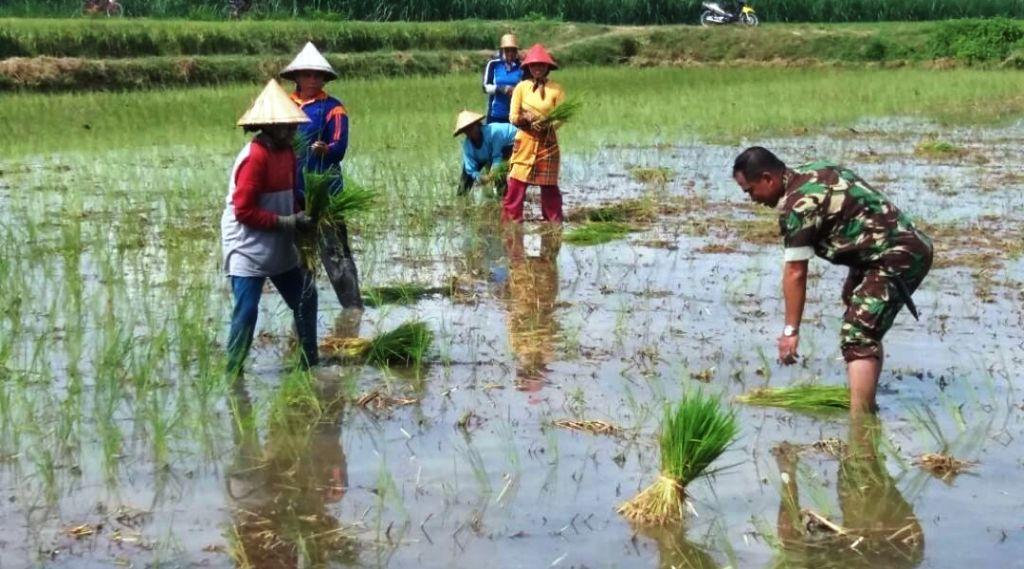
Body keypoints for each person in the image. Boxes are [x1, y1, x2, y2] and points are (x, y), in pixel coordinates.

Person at [732, 147, 933, 413]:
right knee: (863, 321)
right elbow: (861, 216)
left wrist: (791, 332)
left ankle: (861, 421)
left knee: (858, 333)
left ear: (768, 178)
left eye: (750, 191)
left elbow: (795, 272)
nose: (752, 199)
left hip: (898, 256)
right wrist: (855, 274)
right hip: (899, 248)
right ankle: (866, 405)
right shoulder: (816, 170)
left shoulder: (798, 208)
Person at [221, 79, 319, 377]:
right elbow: (244, 211)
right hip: (247, 245)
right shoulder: (255, 157)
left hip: (277, 242)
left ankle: (309, 363)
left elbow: (288, 198)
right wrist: (288, 222)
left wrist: (302, 217)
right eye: (287, 127)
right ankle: (233, 372)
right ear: (270, 126)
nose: (293, 132)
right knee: (247, 309)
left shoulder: (287, 154)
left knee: (306, 297)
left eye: (294, 126)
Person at [773, 415, 924, 568]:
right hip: (901, 549)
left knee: (860, 459)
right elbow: (789, 542)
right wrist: (787, 473)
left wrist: (787, 473)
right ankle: (862, 419)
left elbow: (789, 542)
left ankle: (862, 420)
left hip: (902, 548)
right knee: (860, 460)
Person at [281, 42, 364, 311]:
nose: (313, 79)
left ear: (324, 78)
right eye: (307, 74)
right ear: (297, 77)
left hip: (326, 189)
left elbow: (339, 147)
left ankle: (353, 310)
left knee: (335, 251)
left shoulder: (333, 108)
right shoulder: (283, 106)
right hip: (293, 191)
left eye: (318, 75)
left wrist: (326, 149)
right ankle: (302, 309)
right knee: (298, 256)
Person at [504, 43, 566, 224]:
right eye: (534, 65)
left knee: (549, 186)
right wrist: (528, 119)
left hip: (548, 142)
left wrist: (547, 124)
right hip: (525, 140)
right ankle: (512, 221)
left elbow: (562, 117)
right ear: (528, 67)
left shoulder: (556, 89)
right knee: (517, 183)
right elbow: (513, 117)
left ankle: (553, 221)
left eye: (541, 65)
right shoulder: (521, 88)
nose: (537, 68)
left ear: (547, 67)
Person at [453, 109, 517, 196]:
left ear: (477, 124)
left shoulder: (493, 132)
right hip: (490, 153)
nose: (470, 131)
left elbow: (497, 157)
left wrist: (491, 175)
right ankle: (461, 199)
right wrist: (479, 178)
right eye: (466, 130)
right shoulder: (467, 146)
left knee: (498, 171)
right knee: (466, 176)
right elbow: (470, 168)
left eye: (472, 127)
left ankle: (502, 196)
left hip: (511, 142)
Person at [482, 33, 523, 124]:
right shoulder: (493, 64)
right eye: (507, 50)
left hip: (515, 114)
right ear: (502, 50)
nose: (510, 53)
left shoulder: (522, 66)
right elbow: (485, 87)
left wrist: (516, 91)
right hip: (495, 114)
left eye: (513, 50)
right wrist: (501, 89)